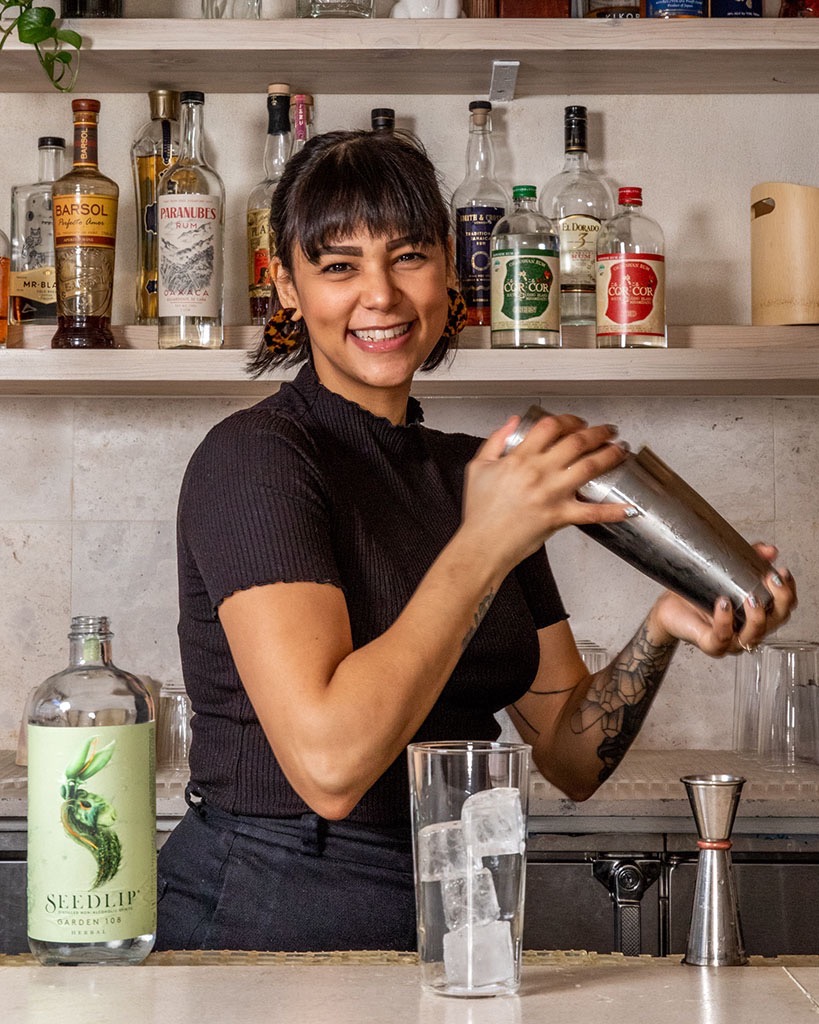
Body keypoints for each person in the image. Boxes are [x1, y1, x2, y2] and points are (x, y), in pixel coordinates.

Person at [155, 129, 796, 952]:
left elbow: (569, 754)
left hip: (457, 900)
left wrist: (662, 628)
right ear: (285, 284)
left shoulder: (475, 474)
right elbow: (329, 768)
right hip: (273, 911)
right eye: (339, 265)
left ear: (451, 271)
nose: (380, 297)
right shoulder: (256, 459)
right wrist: (486, 541)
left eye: (409, 256)